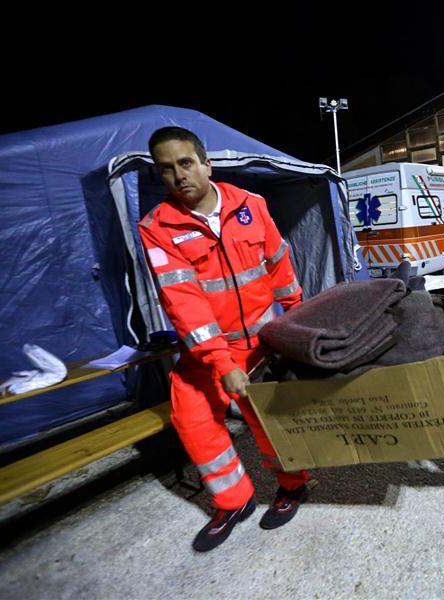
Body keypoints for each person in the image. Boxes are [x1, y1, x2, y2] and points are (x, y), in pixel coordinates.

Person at [139, 127, 310, 552]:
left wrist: (299, 318)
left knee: (266, 420)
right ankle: (234, 500)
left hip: (259, 342)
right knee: (193, 420)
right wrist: (222, 363)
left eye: (185, 163)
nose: (179, 175)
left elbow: (278, 265)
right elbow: (185, 304)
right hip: (206, 350)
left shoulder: (250, 206)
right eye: (166, 169)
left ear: (205, 163)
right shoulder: (157, 229)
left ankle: (293, 486)